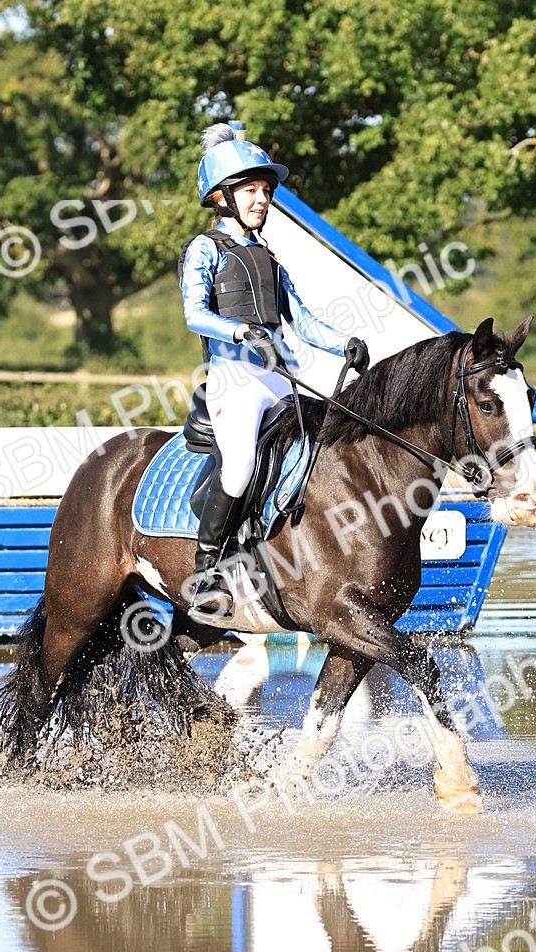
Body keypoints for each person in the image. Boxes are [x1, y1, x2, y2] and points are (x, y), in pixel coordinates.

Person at [180, 121, 370, 618]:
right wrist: (244, 333)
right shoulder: (205, 249)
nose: (262, 199)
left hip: (277, 377)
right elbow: (194, 315)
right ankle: (205, 570)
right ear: (222, 197)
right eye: (250, 190)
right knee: (241, 465)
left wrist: (344, 343)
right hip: (234, 379)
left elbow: (302, 321)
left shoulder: (269, 256)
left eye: (266, 191)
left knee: (321, 450)